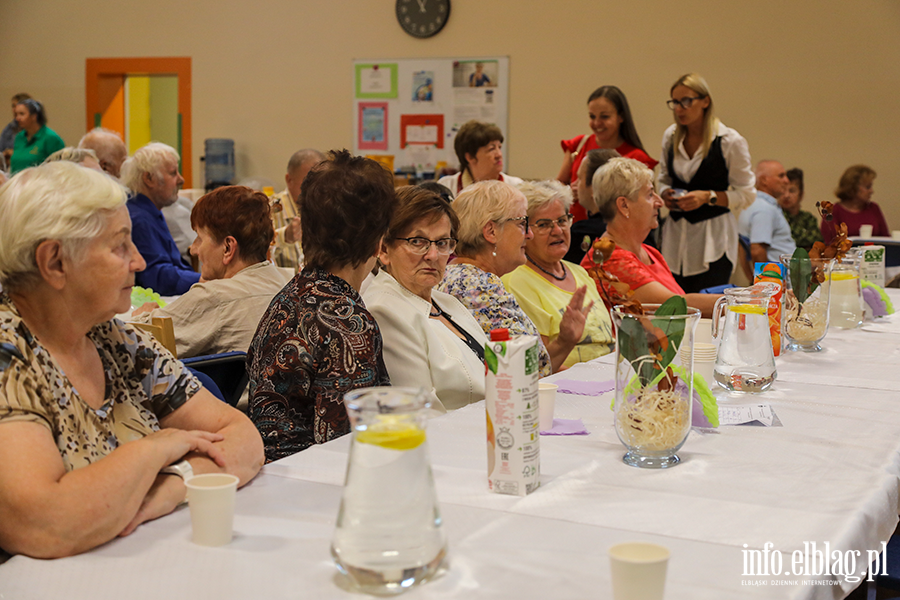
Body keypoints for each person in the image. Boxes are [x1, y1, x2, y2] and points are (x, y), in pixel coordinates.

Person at [0, 162, 263, 559]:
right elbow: (43, 523)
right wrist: (154, 449)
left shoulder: (115, 339)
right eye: (120, 245)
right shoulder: (9, 351)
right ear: (54, 263)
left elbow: (243, 439)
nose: (138, 262)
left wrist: (170, 486)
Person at [248, 150, 395, 461]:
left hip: (266, 475)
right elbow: (348, 449)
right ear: (379, 242)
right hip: (310, 487)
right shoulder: (348, 323)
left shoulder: (290, 297)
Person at [438, 181, 591, 376]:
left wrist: (564, 341)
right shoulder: (478, 288)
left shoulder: (457, 275)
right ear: (491, 231)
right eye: (522, 224)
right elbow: (524, 371)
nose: (529, 234)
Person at [131, 186, 294, 358]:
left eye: (200, 238)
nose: (194, 250)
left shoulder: (214, 297)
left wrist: (142, 316)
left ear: (228, 248)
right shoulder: (290, 282)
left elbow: (132, 343)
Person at [364, 186, 487, 411]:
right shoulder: (383, 310)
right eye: (417, 241)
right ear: (383, 250)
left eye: (442, 243)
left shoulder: (447, 302)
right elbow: (423, 412)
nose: (433, 255)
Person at [581, 158, 720, 317]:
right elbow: (677, 306)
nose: (660, 202)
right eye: (649, 194)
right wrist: (741, 300)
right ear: (624, 205)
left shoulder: (649, 252)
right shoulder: (608, 261)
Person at [658, 73, 755, 293]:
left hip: (713, 241)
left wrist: (708, 196)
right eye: (674, 103)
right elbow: (663, 178)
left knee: (708, 304)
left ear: (705, 101)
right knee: (675, 302)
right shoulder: (670, 137)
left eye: (686, 101)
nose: (679, 109)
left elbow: (747, 194)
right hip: (675, 239)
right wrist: (666, 194)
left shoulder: (729, 141)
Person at [502, 180, 613, 369]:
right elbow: (536, 367)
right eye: (544, 225)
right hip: (567, 387)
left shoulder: (580, 272)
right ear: (524, 231)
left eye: (562, 221)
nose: (558, 231)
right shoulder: (515, 281)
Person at [557, 86, 658, 223]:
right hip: (575, 227)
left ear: (621, 117)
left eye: (605, 117)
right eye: (592, 116)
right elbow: (558, 185)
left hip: (617, 230)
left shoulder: (636, 158)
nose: (597, 123)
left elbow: (647, 201)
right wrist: (570, 192)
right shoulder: (579, 145)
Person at [121, 142, 201, 295]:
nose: (181, 179)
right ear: (149, 178)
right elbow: (158, 278)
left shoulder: (150, 212)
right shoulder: (139, 219)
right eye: (173, 173)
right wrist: (208, 281)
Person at [269, 149, 325, 271]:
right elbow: (255, 254)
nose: (316, 189)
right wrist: (285, 236)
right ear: (289, 180)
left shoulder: (329, 209)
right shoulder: (269, 209)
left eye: (322, 181)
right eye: (308, 182)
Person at [563, 148, 620, 264]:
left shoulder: (581, 232)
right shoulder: (636, 229)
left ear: (595, 186)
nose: (574, 185)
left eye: (579, 179)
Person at [437, 121, 523, 195]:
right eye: (491, 149)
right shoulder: (446, 187)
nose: (499, 154)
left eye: (499, 147)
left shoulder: (517, 186)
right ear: (470, 157)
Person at [738, 161, 796, 263]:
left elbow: (742, 248)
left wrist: (751, 277)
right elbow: (757, 251)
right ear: (764, 180)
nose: (786, 181)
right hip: (779, 276)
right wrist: (765, 278)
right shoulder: (764, 209)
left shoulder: (752, 204)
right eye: (781, 176)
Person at [823, 165, 888, 243]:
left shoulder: (873, 208)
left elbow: (885, 239)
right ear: (853, 188)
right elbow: (829, 244)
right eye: (868, 187)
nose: (871, 191)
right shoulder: (833, 212)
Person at [9, 99, 65, 174]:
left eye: (22, 114)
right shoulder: (19, 137)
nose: (17, 118)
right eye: (16, 114)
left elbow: (61, 168)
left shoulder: (51, 138)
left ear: (34, 116)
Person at [779, 168, 823, 251]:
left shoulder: (808, 218)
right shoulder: (777, 216)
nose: (786, 196)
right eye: (783, 191)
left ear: (801, 194)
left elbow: (817, 242)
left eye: (792, 191)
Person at [1, 93, 31, 165]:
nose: (14, 109)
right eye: (13, 106)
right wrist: (4, 154)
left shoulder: (34, 129)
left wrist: (15, 154)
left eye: (17, 106)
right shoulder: (9, 128)